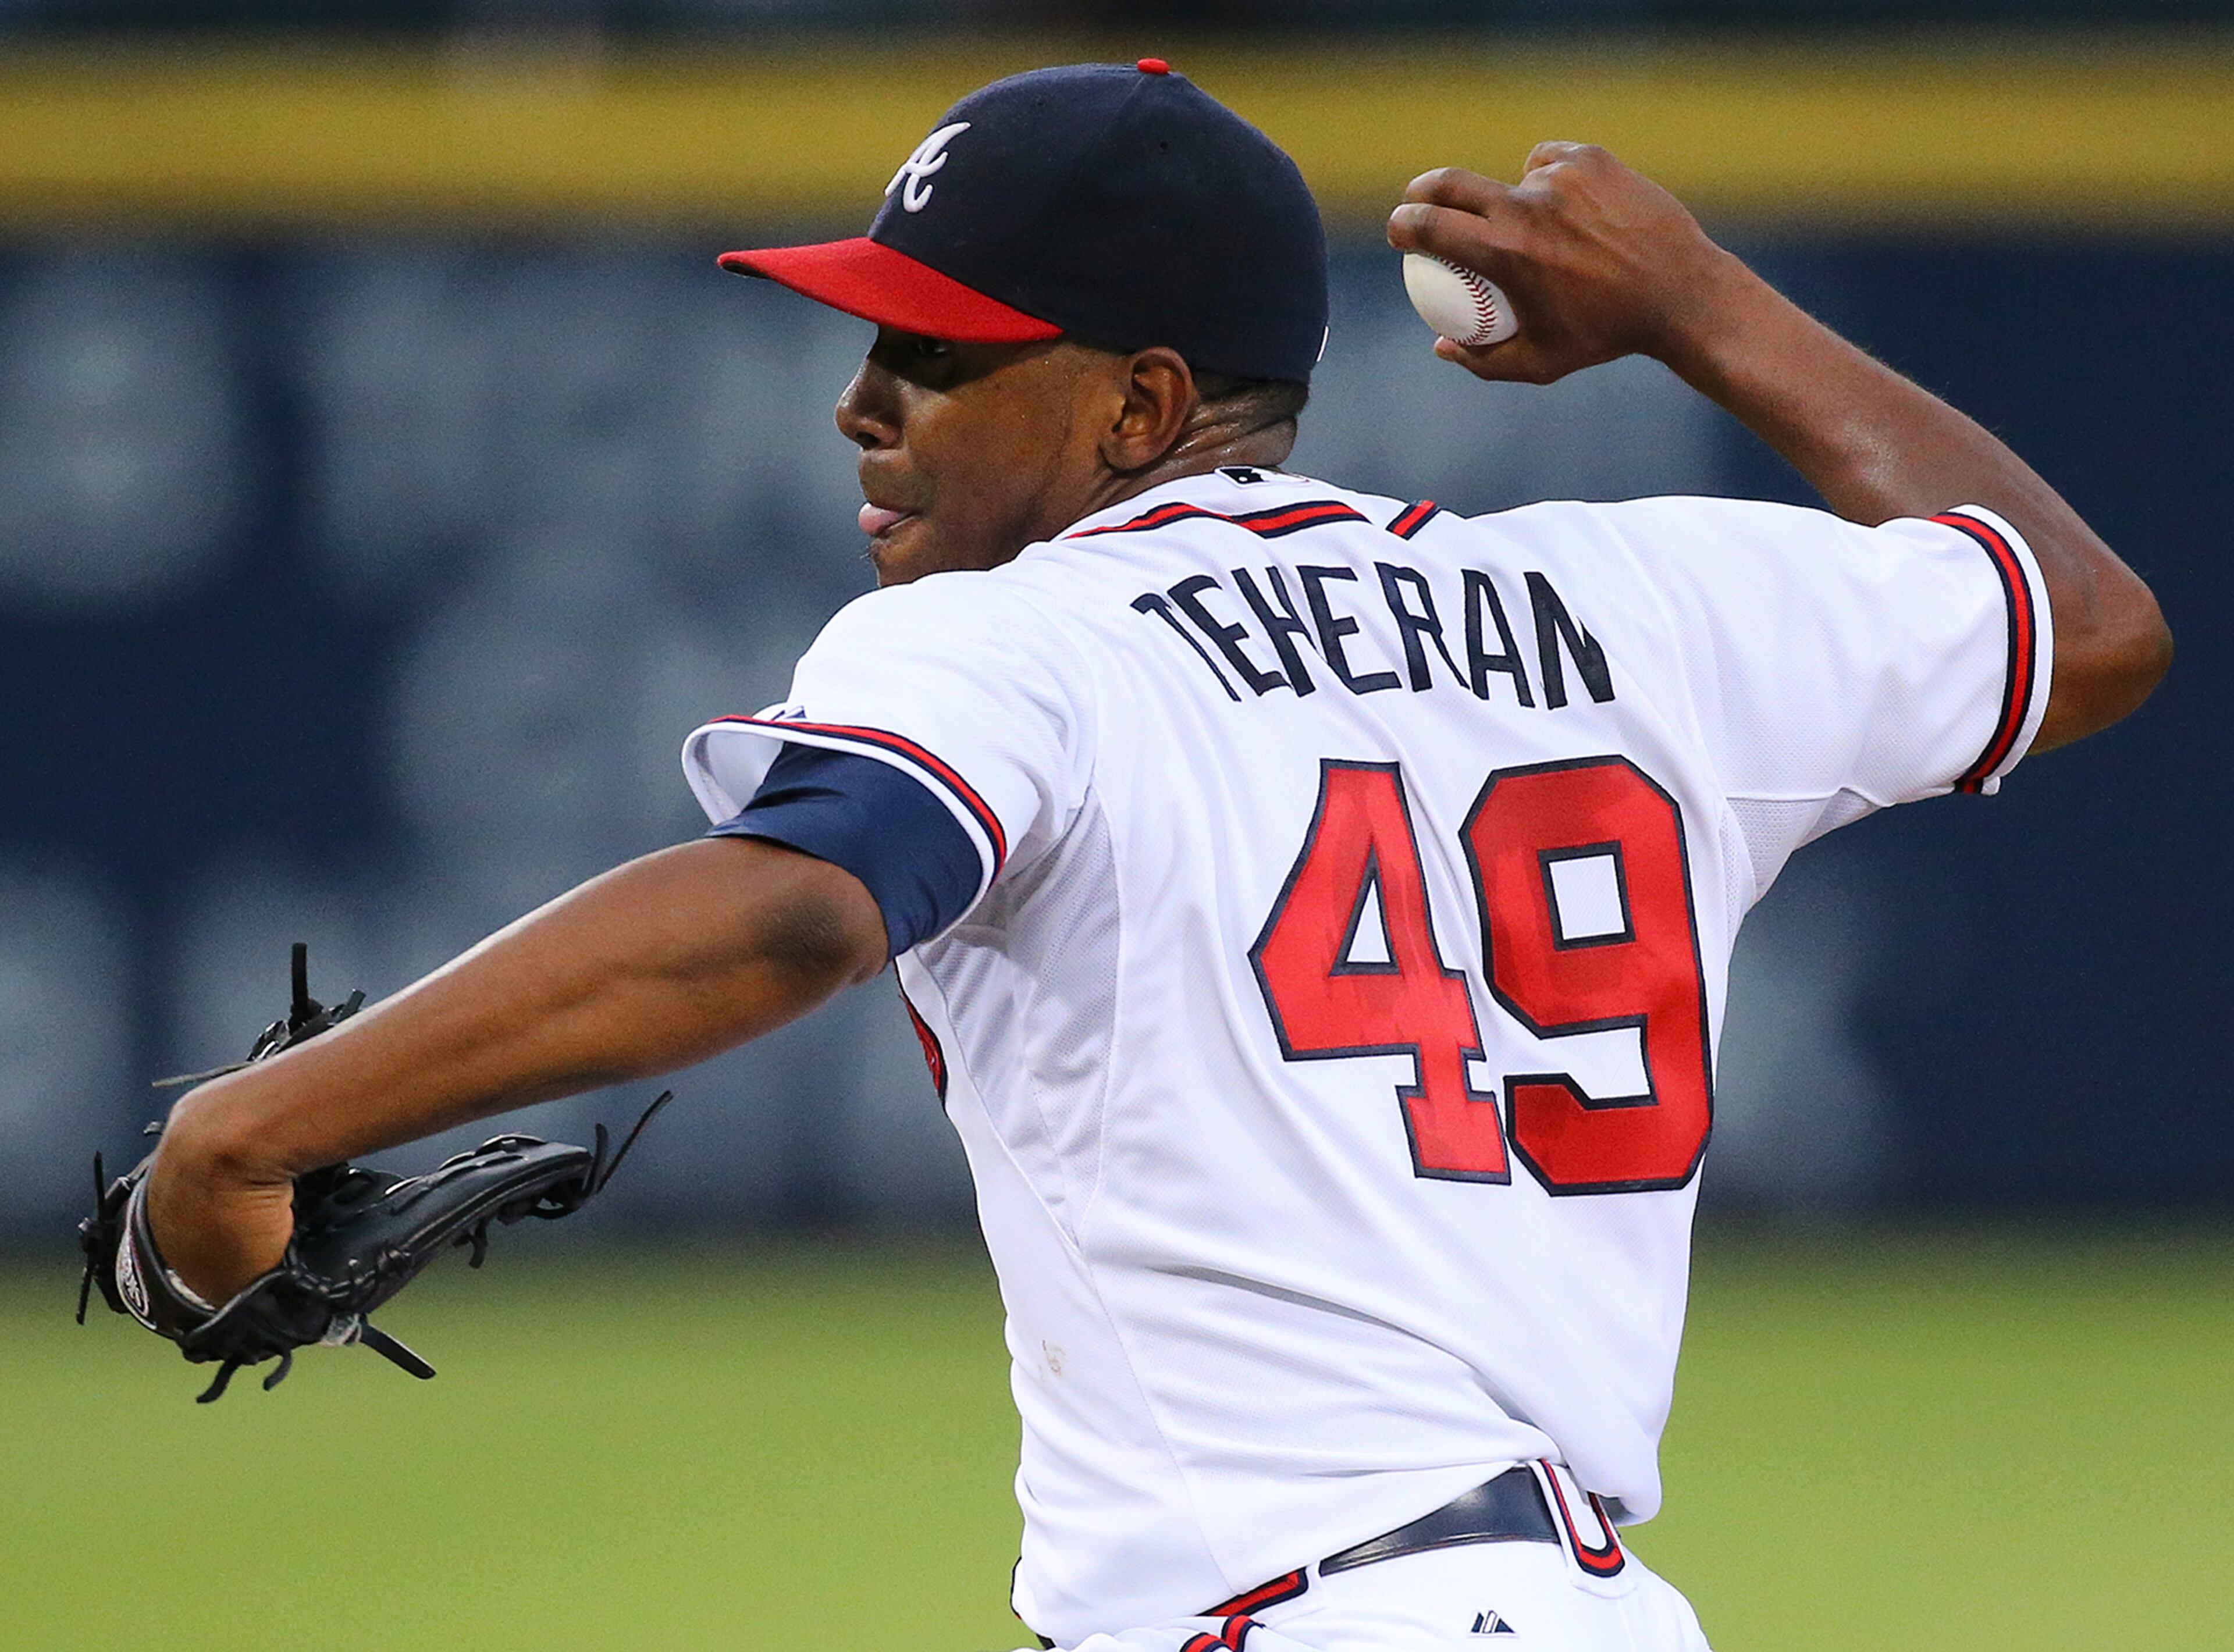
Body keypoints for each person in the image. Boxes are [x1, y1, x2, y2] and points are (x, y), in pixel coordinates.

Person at [144, 60, 2168, 1652]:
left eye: (937, 351)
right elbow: (2088, 628)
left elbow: (789, 909)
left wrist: (245, 1133)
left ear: (1145, 405)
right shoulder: (1638, 603)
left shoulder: (1023, 637)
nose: (863, 402)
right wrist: (1699, 308)